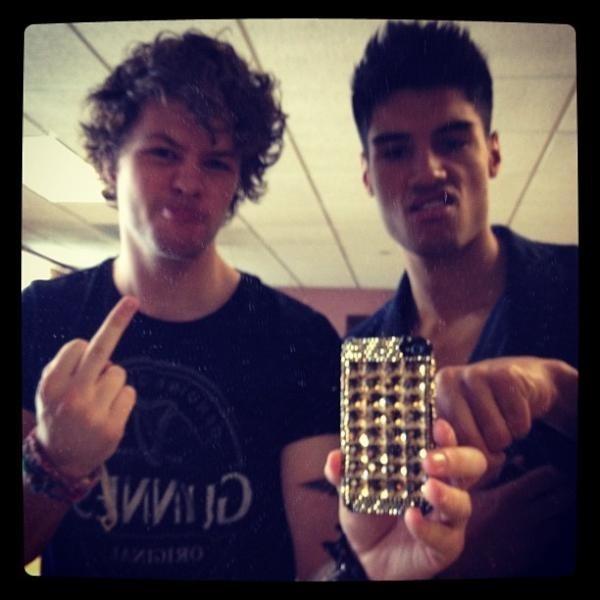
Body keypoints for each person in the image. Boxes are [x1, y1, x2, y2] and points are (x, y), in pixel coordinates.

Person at [22, 29, 486, 581]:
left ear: (239, 181)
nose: (189, 181)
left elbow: (316, 567)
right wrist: (53, 464)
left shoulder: (300, 340)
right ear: (108, 163)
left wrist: (370, 572)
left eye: (217, 163)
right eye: (164, 153)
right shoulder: (42, 316)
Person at [349, 20, 578, 577]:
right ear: (368, 176)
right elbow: (383, 551)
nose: (428, 171)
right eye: (395, 151)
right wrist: (455, 556)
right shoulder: (370, 355)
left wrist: (558, 390)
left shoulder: (574, 283)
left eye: (452, 142)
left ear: (493, 154)